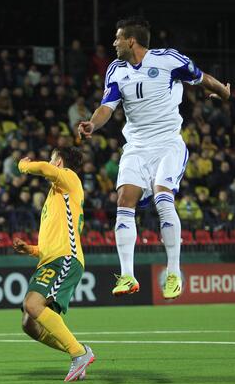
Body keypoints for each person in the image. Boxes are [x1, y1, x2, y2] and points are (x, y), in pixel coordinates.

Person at [78, 16, 231, 299]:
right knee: (124, 200)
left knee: (163, 198)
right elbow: (106, 106)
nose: (113, 43)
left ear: (131, 41)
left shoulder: (168, 60)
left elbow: (201, 77)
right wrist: (92, 124)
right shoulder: (116, 69)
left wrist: (224, 92)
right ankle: (127, 276)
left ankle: (174, 272)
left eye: (117, 38)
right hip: (136, 147)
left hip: (167, 145)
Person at [13, 147, 94, 382]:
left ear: (59, 161)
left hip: (65, 258)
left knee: (33, 304)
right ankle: (78, 350)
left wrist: (23, 166)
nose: (49, 161)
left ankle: (78, 353)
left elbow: (45, 169)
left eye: (51, 158)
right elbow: (49, 242)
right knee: (29, 324)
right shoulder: (55, 196)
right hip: (50, 259)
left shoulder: (69, 178)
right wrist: (30, 249)